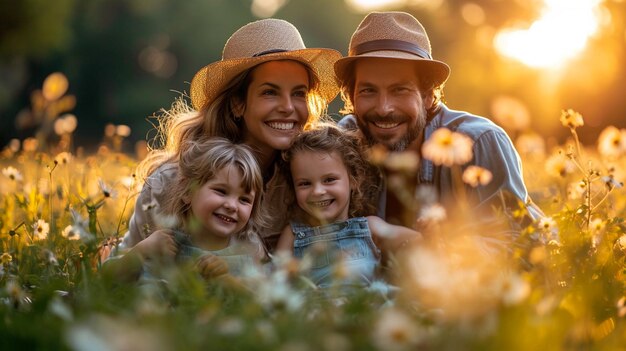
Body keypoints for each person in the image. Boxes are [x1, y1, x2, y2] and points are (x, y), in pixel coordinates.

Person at [107, 18, 342, 273]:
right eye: (270, 92)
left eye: (298, 93)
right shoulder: (174, 180)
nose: (288, 107)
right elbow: (117, 277)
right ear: (237, 103)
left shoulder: (309, 178)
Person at [334, 11, 543, 234]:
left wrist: (409, 242)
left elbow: (515, 243)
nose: (384, 108)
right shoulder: (341, 143)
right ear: (351, 96)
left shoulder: (480, 142)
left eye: (400, 90)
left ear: (427, 95)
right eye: (368, 91)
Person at [276, 124, 421, 288]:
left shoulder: (369, 227)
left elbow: (416, 241)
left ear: (353, 179)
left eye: (329, 180)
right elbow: (277, 282)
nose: (317, 191)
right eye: (304, 183)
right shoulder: (293, 235)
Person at [134, 138, 267, 284]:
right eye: (221, 191)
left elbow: (261, 302)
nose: (232, 206)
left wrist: (226, 281)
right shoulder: (167, 243)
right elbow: (109, 281)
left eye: (244, 200)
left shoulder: (248, 250)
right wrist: (140, 251)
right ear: (188, 191)